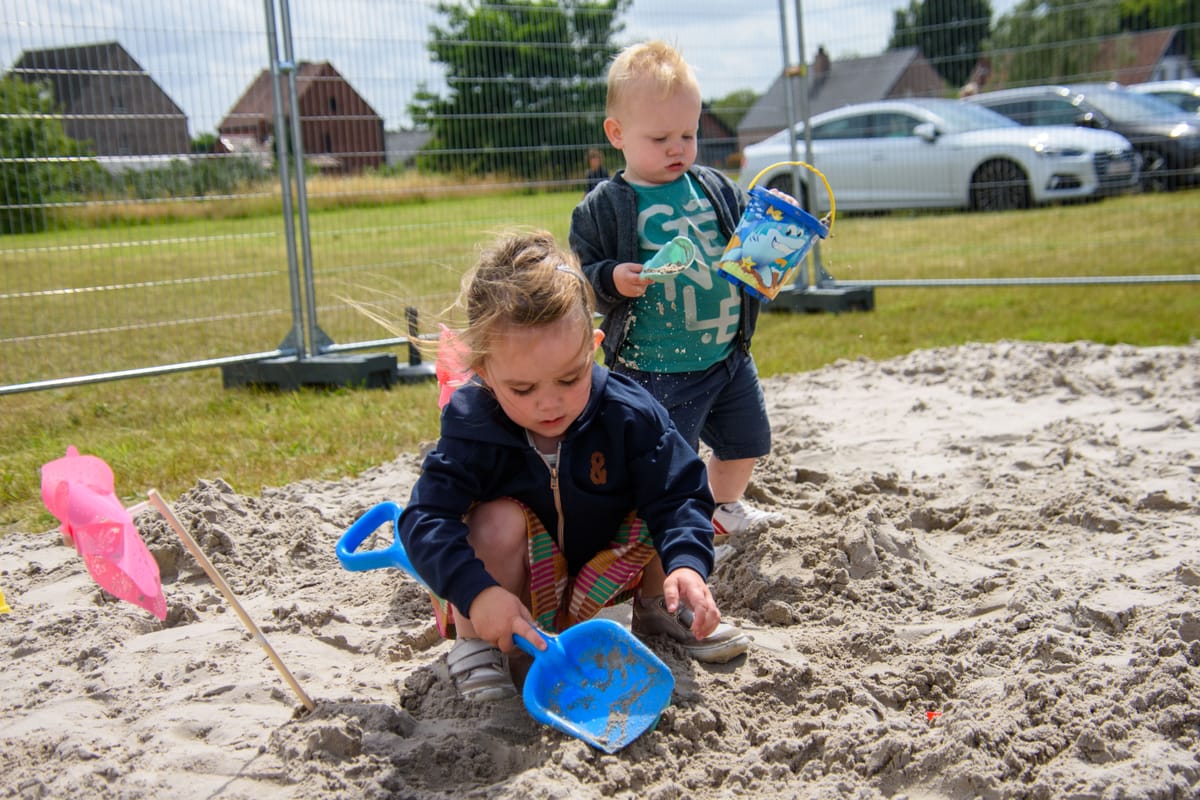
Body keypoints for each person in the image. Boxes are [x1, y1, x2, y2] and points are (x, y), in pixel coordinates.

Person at [398, 230, 750, 703]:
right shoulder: (472, 424)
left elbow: (681, 492)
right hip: (508, 589)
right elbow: (424, 520)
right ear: (482, 371)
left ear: (594, 346)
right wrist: (478, 595)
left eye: (570, 377)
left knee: (657, 493)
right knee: (494, 520)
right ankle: (477, 646)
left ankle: (662, 605)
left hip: (597, 571)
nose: (549, 403)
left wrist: (687, 565)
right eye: (522, 389)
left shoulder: (628, 413)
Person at [569, 40, 785, 542]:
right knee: (662, 460)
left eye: (688, 134)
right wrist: (613, 279)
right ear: (617, 134)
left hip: (726, 354)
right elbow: (584, 275)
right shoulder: (605, 205)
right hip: (656, 366)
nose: (678, 148)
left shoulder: (714, 187)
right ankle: (655, 528)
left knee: (745, 442)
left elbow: (752, 243)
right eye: (661, 136)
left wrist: (778, 219)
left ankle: (722, 508)